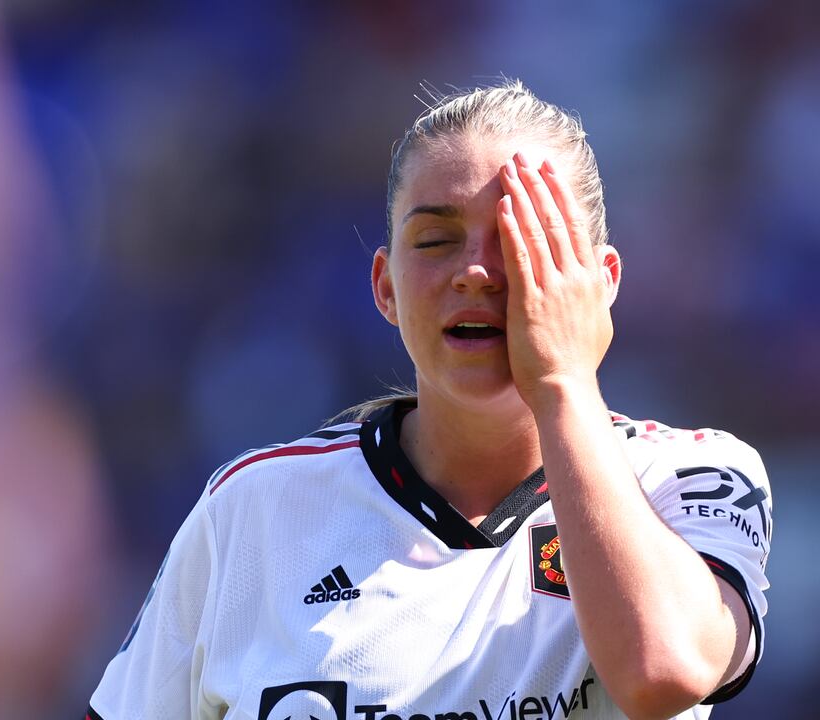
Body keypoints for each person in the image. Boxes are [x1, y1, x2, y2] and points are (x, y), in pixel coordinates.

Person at [86, 80, 771, 720]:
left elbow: (663, 670)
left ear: (601, 282)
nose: (475, 271)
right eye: (437, 240)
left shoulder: (690, 477)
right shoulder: (253, 510)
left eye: (519, 242)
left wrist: (563, 380)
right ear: (385, 286)